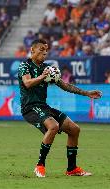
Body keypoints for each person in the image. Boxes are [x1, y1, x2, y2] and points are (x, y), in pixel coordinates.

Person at [18, 39, 102, 178]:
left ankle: (72, 168)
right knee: (53, 126)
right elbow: (27, 83)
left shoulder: (47, 69)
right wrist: (42, 77)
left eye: (46, 51)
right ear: (32, 50)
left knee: (74, 129)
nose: (44, 53)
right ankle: (40, 166)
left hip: (43, 107)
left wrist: (86, 93)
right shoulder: (25, 66)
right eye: (41, 50)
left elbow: (65, 85)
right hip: (30, 107)